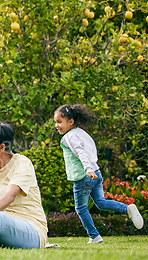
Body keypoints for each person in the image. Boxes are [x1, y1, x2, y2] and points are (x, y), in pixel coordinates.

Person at [54, 104, 144, 243]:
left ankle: (94, 236)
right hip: (96, 173)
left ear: (71, 121)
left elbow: (81, 153)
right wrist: (93, 168)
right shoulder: (81, 132)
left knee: (81, 209)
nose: (57, 126)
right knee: (101, 202)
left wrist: (88, 169)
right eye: (55, 122)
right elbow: (90, 149)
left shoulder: (69, 137)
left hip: (84, 177)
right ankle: (127, 209)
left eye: (59, 122)